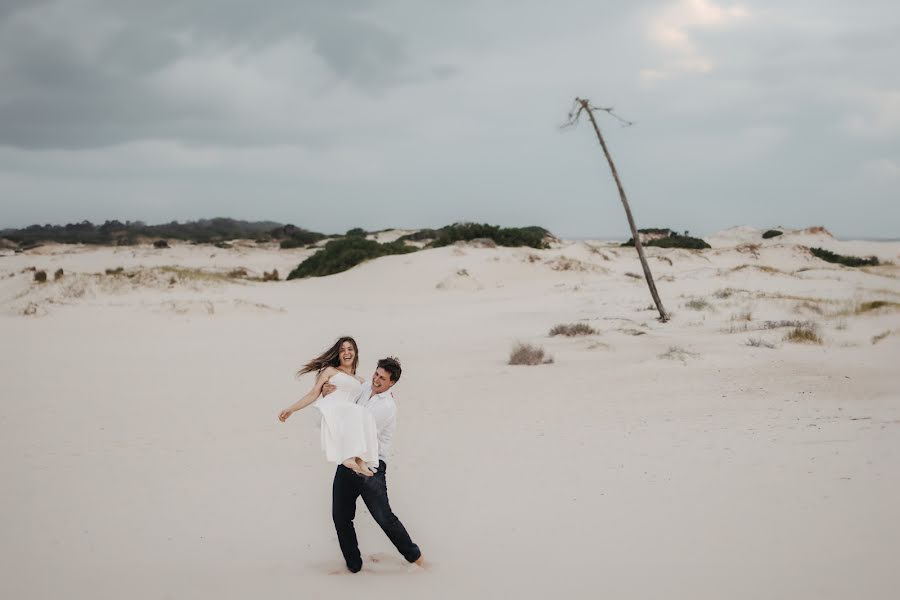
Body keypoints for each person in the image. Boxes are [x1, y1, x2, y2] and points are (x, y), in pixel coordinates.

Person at [323, 357, 426, 573]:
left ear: (392, 383)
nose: (376, 379)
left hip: (370, 469)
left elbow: (356, 427)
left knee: (384, 518)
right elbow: (346, 394)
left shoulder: (387, 407)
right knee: (340, 517)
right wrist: (329, 392)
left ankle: (415, 557)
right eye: (376, 374)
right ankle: (354, 566)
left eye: (382, 378)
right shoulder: (364, 387)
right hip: (348, 462)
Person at [278, 337, 378, 478]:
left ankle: (360, 461)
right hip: (329, 409)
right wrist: (291, 409)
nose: (346, 353)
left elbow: (374, 390)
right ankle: (348, 457)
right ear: (338, 354)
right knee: (357, 410)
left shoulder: (360, 380)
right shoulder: (331, 371)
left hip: (346, 414)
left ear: (355, 352)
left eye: (350, 349)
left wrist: (388, 392)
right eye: (342, 350)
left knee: (365, 413)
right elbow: (313, 393)